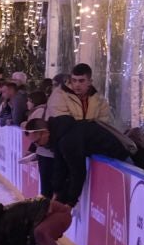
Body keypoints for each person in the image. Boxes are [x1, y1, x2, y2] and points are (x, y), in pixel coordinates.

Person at [26, 113, 131, 245]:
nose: (37, 146)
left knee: (44, 229)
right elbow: (61, 166)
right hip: (112, 156)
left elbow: (77, 172)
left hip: (122, 159)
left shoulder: (67, 139)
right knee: (42, 226)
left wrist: (70, 202)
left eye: (37, 141)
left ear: (44, 133)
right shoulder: (59, 136)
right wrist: (57, 193)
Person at [37, 64, 112, 195]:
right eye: (74, 80)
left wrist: (85, 130)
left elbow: (101, 127)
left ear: (90, 82)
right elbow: (63, 125)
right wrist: (87, 127)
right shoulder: (58, 95)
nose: (77, 84)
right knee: (49, 194)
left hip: (79, 152)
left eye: (81, 81)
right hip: (52, 152)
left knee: (69, 194)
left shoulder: (99, 101)